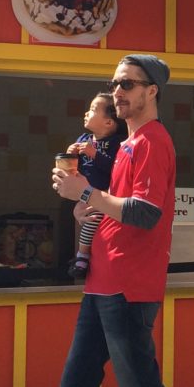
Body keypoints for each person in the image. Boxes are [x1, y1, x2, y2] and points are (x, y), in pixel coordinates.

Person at [0, 54, 186, 387]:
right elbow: (117, 209)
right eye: (115, 83)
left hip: (127, 286)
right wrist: (83, 206)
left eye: (129, 83)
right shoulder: (130, 143)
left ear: (153, 90)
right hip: (105, 283)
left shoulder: (153, 141)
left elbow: (146, 214)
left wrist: (84, 195)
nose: (118, 91)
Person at [65, 91, 127, 276]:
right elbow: (73, 169)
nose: (86, 113)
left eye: (92, 110)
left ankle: (82, 256)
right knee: (84, 222)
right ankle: (81, 256)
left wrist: (95, 154)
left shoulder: (117, 143)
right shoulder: (83, 139)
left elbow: (116, 169)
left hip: (104, 195)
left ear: (109, 122)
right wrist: (71, 155)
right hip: (84, 195)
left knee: (92, 223)